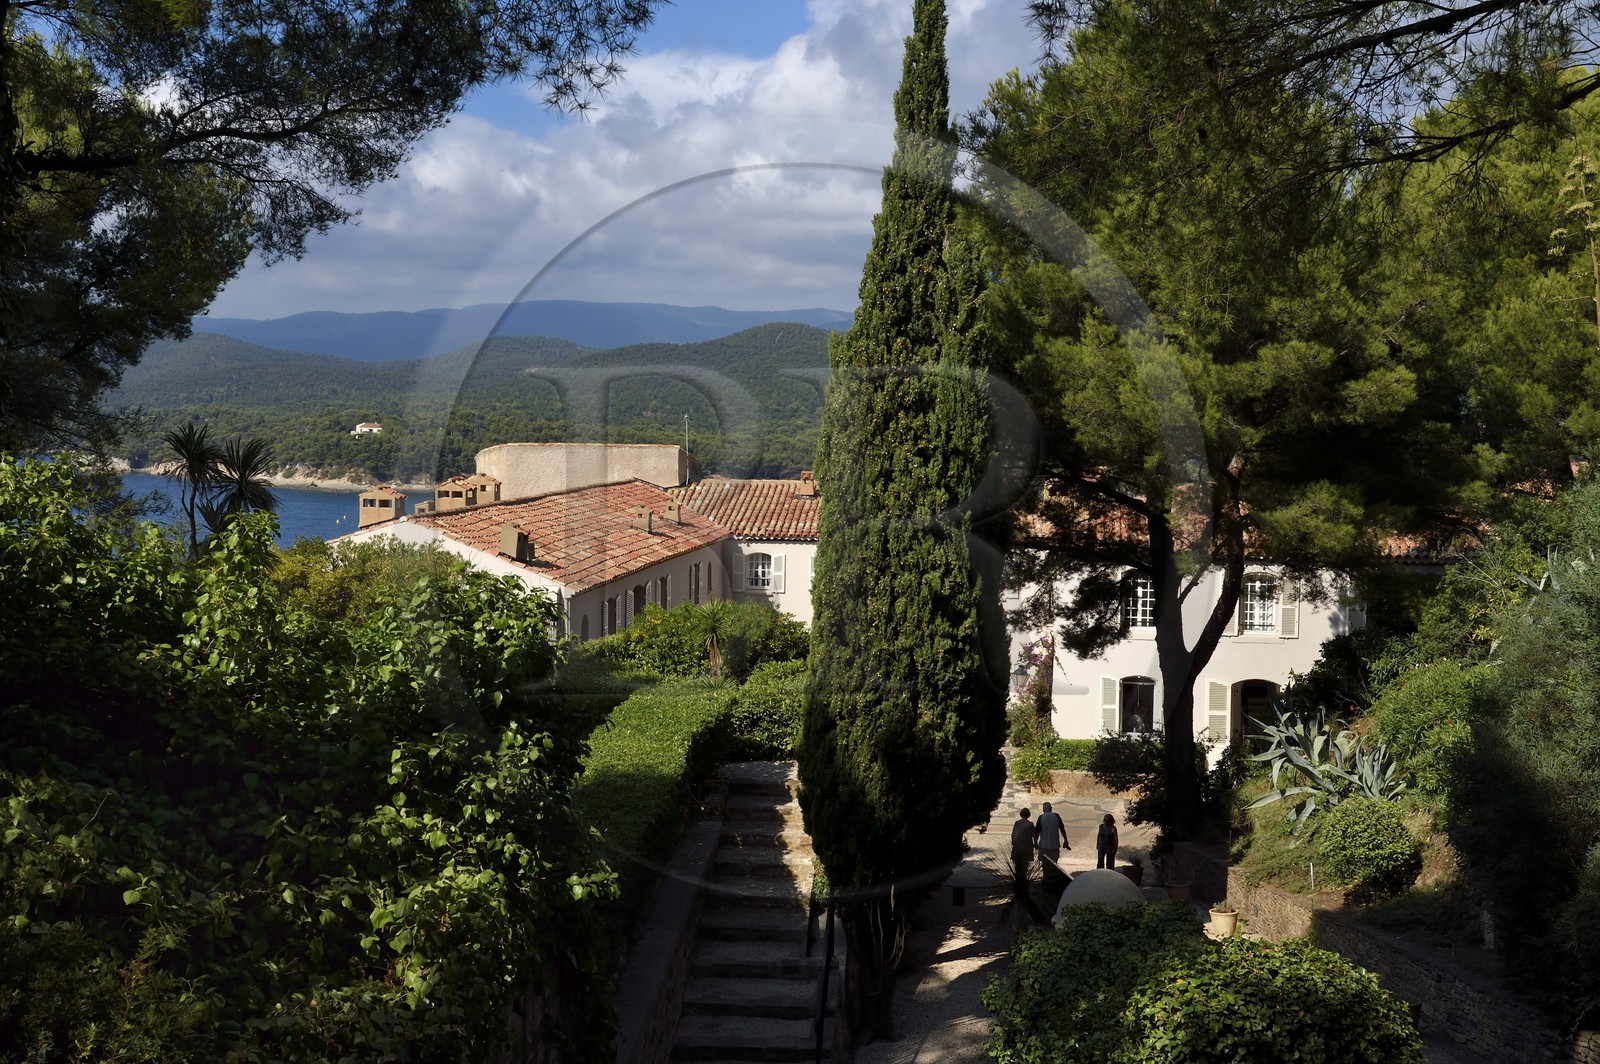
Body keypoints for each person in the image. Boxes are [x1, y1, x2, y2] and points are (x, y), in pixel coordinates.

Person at [1034, 802, 1069, 868]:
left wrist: (1035, 842)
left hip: (1044, 845)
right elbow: (1062, 829)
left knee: (1045, 865)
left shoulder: (1041, 817)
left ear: (1043, 809)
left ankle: (1046, 877)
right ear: (1051, 809)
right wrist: (1065, 840)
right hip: (1055, 845)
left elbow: (1037, 832)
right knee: (1054, 865)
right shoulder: (1056, 816)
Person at [1010, 808, 1034, 883]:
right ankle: (1023, 879)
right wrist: (1035, 843)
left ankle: (1018, 879)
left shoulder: (1017, 823)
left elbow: (1013, 834)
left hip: (1017, 846)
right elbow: (1034, 835)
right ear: (1028, 815)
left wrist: (1013, 842)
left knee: (1017, 864)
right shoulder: (1030, 824)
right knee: (1025, 864)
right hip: (1026, 847)